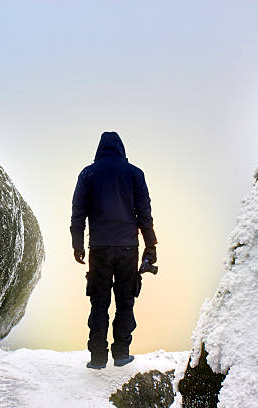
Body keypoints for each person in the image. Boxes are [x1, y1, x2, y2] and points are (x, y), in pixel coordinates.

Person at [70, 131, 157, 369]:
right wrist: (151, 245)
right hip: (128, 247)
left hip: (99, 248)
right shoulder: (135, 174)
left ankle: (97, 358)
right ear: (122, 149)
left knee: (99, 302)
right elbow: (144, 214)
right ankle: (121, 353)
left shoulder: (88, 174)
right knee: (125, 301)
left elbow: (78, 213)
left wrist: (78, 245)